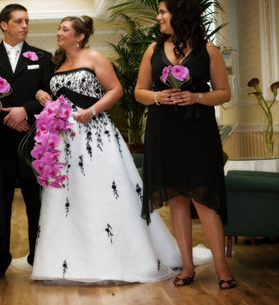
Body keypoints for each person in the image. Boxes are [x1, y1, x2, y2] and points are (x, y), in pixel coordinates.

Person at [31, 15, 212, 284]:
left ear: (79, 36)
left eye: (64, 29)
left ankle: (118, 258)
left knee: (102, 192)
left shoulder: (94, 58)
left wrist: (92, 111)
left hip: (95, 134)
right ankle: (69, 261)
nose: (59, 32)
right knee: (71, 198)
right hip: (65, 140)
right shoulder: (56, 63)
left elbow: (115, 90)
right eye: (59, 28)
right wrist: (41, 95)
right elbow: (52, 94)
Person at [134, 0, 236, 289]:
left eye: (163, 11)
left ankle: (222, 268)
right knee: (177, 199)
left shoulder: (208, 50)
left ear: (180, 14)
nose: (159, 17)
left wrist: (196, 96)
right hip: (163, 131)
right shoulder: (153, 49)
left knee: (204, 201)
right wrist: (157, 96)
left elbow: (224, 93)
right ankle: (187, 267)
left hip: (197, 132)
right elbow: (139, 91)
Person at [0, 4, 53, 280]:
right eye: (18, 21)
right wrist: (6, 115)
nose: (24, 25)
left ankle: (40, 258)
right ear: (4, 25)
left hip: (33, 142)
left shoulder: (43, 57)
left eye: (27, 21)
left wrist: (25, 110)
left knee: (36, 204)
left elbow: (49, 93)